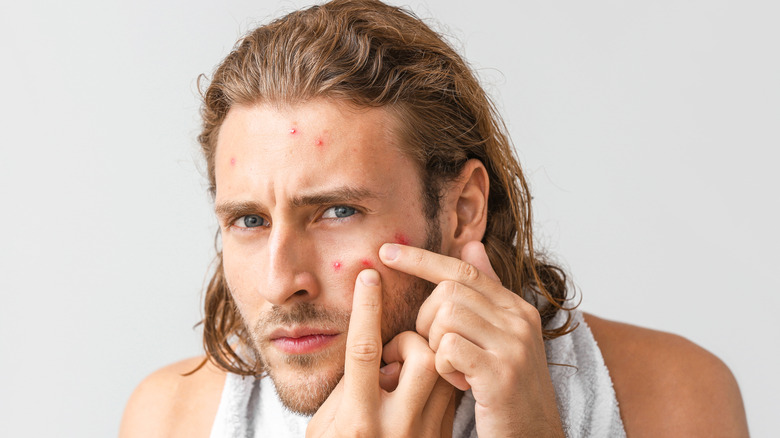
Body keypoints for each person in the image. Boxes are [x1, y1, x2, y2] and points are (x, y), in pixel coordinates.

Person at [120, 0, 749, 436]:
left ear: (462, 209)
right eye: (250, 222)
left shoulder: (668, 396)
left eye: (338, 211)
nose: (283, 282)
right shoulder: (171, 419)